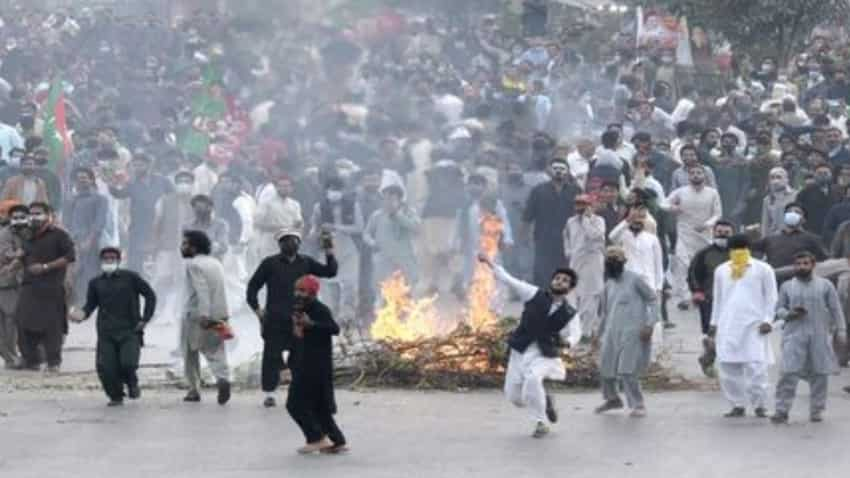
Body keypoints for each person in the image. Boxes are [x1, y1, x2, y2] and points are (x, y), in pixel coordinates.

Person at [478, 252, 577, 438]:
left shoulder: (570, 312)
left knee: (533, 379)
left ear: (570, 288)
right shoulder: (533, 293)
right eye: (558, 278)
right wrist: (489, 262)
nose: (560, 281)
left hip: (545, 354)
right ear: (552, 281)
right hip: (521, 350)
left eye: (565, 281)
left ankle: (541, 423)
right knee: (515, 397)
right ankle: (544, 400)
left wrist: (568, 342)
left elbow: (576, 332)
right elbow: (509, 279)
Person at [246, 228, 338, 408]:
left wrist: (329, 252)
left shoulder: (306, 262)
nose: (290, 243)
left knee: (299, 355)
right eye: (285, 240)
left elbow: (330, 272)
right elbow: (252, 287)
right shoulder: (269, 264)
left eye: (294, 240)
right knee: (272, 355)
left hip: (299, 318)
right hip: (275, 318)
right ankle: (270, 393)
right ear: (279, 244)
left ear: (299, 243)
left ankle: (296, 391)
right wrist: (257, 310)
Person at [70, 247, 156, 406]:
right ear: (101, 261)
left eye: (112, 258)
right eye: (106, 258)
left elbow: (150, 295)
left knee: (128, 363)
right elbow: (90, 305)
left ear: (119, 260)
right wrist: (81, 315)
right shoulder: (95, 283)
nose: (109, 261)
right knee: (106, 368)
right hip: (106, 332)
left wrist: (145, 319)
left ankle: (131, 381)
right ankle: (116, 396)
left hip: (130, 330)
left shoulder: (131, 278)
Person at [771, 251, 846, 424]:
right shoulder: (787, 286)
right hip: (794, 336)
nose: (801, 267)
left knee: (820, 374)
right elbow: (779, 310)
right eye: (798, 264)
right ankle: (781, 411)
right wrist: (789, 314)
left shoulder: (825, 285)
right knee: (788, 373)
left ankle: (817, 411)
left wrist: (841, 331)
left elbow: (836, 309)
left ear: (813, 265)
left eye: (805, 263)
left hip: (819, 336)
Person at [710, 234, 777, 418]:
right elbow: (718, 299)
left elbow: (771, 297)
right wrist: (714, 324)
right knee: (728, 368)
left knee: (757, 367)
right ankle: (737, 404)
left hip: (755, 326)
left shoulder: (764, 269)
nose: (738, 252)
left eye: (742, 248)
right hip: (728, 324)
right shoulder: (722, 270)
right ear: (729, 251)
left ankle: (760, 405)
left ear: (750, 249)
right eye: (735, 249)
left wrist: (767, 320)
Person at [286, 275, 348, 455]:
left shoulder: (319, 309)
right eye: (296, 290)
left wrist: (311, 324)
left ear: (312, 293)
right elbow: (297, 339)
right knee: (319, 406)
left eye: (302, 291)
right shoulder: (299, 309)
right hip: (304, 363)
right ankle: (337, 440)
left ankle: (316, 438)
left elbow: (334, 329)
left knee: (294, 404)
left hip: (315, 365)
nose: (298, 294)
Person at [595, 246, 659, 417]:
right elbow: (605, 312)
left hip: (633, 331)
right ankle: (612, 399)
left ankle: (638, 404)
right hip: (611, 331)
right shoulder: (608, 284)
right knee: (605, 367)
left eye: (616, 260)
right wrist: (598, 333)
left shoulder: (635, 279)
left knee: (627, 369)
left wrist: (649, 324)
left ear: (623, 262)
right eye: (609, 261)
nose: (612, 264)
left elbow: (653, 300)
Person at [15, 202, 75, 372]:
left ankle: (53, 362)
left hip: (52, 287)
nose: (35, 217)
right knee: (23, 322)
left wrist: (46, 267)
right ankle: (31, 360)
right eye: (32, 213)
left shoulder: (60, 235)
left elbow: (70, 256)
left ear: (49, 214)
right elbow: (21, 258)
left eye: (38, 213)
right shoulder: (27, 235)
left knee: (52, 327)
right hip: (29, 287)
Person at [180, 230, 231, 405]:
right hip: (220, 314)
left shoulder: (193, 264)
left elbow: (202, 290)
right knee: (216, 350)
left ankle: (193, 390)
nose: (183, 247)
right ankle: (223, 378)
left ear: (194, 247)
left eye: (185, 244)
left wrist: (204, 315)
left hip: (197, 316)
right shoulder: (215, 262)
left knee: (190, 352)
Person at [666, 164, 723, 309]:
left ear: (705, 176)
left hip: (704, 236)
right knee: (682, 265)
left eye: (699, 173)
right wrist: (673, 208)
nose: (696, 175)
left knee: (704, 266)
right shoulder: (680, 192)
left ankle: (703, 294)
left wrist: (707, 224)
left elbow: (717, 214)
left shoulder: (712, 193)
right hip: (684, 235)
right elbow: (663, 203)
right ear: (688, 176)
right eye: (692, 173)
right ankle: (684, 298)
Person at [108, 152, 174, 273]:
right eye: (135, 165)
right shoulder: (131, 184)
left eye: (140, 165)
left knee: (159, 259)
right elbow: (119, 194)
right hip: (138, 227)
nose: (137, 168)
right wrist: (111, 183)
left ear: (149, 165)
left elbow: (173, 197)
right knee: (135, 260)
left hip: (160, 226)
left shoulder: (162, 181)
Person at [523, 157, 579, 287]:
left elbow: (580, 215)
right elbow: (527, 217)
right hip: (543, 238)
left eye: (562, 169)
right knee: (542, 272)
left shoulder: (575, 191)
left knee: (564, 272)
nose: (559, 172)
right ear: (549, 170)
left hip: (568, 240)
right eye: (556, 168)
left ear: (568, 171)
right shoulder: (538, 191)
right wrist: (524, 236)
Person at [64, 167, 109, 306]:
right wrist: (70, 240)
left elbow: (99, 222)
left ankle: (91, 302)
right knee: (75, 272)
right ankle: (76, 302)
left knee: (91, 271)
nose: (81, 180)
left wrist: (89, 240)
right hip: (73, 240)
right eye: (78, 178)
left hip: (93, 240)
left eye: (85, 177)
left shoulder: (100, 199)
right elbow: (66, 221)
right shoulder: (71, 199)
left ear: (91, 180)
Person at [363, 185, 420, 291]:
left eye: (391, 199)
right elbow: (366, 234)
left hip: (404, 260)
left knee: (406, 292)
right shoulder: (377, 215)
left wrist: (397, 215)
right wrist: (372, 243)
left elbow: (416, 228)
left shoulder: (408, 212)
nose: (387, 202)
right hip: (383, 259)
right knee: (384, 291)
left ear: (399, 200)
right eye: (385, 199)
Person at [564, 194, 605, 340]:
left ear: (591, 207)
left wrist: (587, 220)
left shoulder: (599, 221)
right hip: (576, 261)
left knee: (591, 297)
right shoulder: (570, 221)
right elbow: (566, 237)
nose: (579, 207)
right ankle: (576, 329)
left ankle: (586, 332)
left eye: (583, 204)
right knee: (574, 295)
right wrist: (568, 251)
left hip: (592, 262)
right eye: (577, 204)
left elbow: (595, 236)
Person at [688, 220, 735, 336]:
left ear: (733, 234)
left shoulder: (739, 254)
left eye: (727, 232)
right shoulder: (703, 254)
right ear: (713, 232)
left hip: (733, 300)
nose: (722, 234)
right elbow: (693, 274)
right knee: (709, 333)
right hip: (709, 300)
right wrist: (697, 291)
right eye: (719, 231)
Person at [753, 203, 827, 269]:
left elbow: (825, 260)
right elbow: (751, 249)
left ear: (804, 219)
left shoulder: (812, 239)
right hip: (775, 279)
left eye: (797, 212)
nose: (792, 214)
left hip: (800, 278)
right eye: (789, 212)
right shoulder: (771, 238)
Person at [0, 202, 26, 369]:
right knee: (10, 319)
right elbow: (7, 254)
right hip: (6, 282)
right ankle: (11, 357)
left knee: (12, 320)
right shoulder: (5, 233)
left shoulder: (28, 231)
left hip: (18, 282)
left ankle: (12, 357)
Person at [253, 175, 303, 260]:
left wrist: (295, 230)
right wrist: (277, 228)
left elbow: (299, 224)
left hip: (289, 244)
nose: (285, 188)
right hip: (270, 242)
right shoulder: (267, 203)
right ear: (276, 187)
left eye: (287, 186)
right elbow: (256, 223)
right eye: (282, 186)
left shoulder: (295, 204)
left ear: (292, 188)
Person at [761, 167, 797, 238]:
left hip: (792, 236)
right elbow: (766, 223)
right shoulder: (767, 200)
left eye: (779, 177)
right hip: (775, 238)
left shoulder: (796, 195)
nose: (775, 181)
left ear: (786, 179)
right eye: (772, 178)